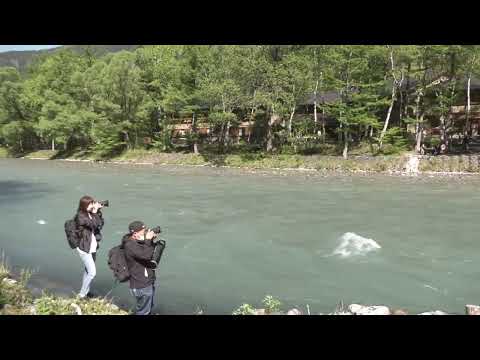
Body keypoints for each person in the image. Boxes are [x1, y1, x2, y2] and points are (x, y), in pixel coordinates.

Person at [122, 221, 158, 315]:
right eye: (143, 232)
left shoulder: (136, 242)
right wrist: (148, 241)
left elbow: (149, 252)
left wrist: (151, 241)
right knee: (143, 312)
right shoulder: (130, 245)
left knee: (147, 308)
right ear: (135, 234)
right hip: (141, 284)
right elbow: (146, 255)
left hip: (145, 283)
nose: (145, 234)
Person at [74, 195, 105, 298]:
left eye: (93, 203)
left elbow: (100, 224)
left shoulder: (91, 214)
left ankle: (87, 291)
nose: (92, 205)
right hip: (84, 248)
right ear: (84, 205)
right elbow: (93, 225)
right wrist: (95, 211)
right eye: (90, 204)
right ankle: (82, 294)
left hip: (92, 246)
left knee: (87, 270)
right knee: (92, 272)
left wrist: (98, 212)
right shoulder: (80, 216)